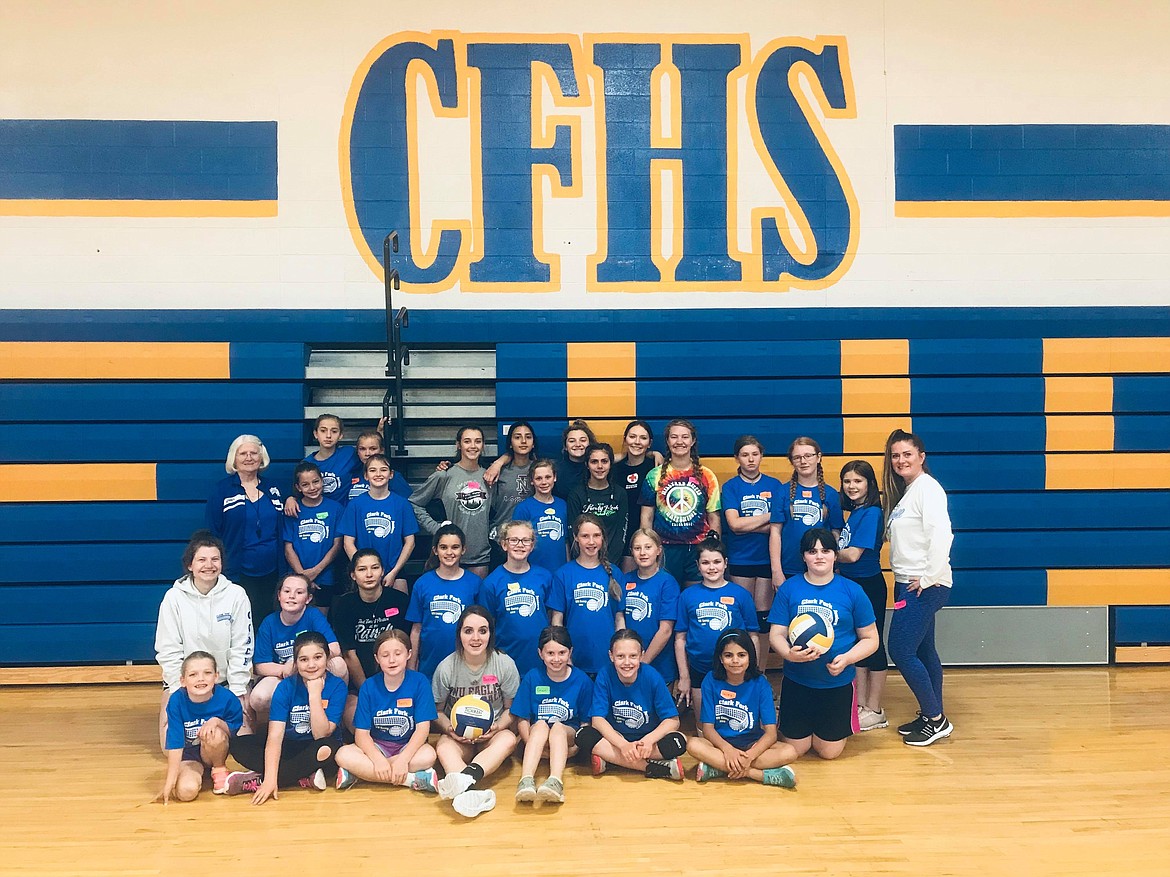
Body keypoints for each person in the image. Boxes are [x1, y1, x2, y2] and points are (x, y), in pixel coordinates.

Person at [767, 529, 879, 761]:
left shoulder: (852, 591)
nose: (819, 556)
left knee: (829, 752)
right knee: (796, 750)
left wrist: (847, 659)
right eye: (812, 551)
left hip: (836, 684)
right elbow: (776, 634)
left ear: (835, 555)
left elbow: (871, 639)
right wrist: (789, 654)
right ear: (803, 557)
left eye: (825, 550)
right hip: (798, 682)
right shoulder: (790, 588)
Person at [882, 429, 955, 746]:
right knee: (924, 651)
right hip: (908, 583)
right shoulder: (909, 492)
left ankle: (936, 719)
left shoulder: (928, 489)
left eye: (907, 454)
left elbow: (943, 535)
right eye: (895, 455)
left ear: (921, 457)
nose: (900, 460)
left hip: (924, 585)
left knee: (899, 649)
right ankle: (930, 715)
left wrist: (928, 577)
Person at [155, 530, 253, 749]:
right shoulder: (173, 598)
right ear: (190, 565)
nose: (209, 565)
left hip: (225, 683)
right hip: (185, 685)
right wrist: (177, 689)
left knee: (244, 744)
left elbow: (243, 647)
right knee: (170, 748)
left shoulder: (236, 595)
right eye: (201, 560)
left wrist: (238, 690)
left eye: (215, 559)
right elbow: (167, 649)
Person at [225, 631, 348, 802]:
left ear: (327, 658)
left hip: (317, 749)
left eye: (318, 657)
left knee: (327, 748)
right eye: (304, 659)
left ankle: (259, 780)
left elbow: (321, 734)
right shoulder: (285, 687)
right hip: (289, 746)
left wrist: (314, 695)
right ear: (296, 663)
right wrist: (270, 780)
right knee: (238, 745)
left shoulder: (337, 686)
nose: (311, 665)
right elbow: (275, 736)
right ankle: (301, 777)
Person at [432, 606, 520, 818]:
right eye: (468, 631)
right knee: (443, 746)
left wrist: (497, 727)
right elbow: (437, 711)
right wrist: (450, 730)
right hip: (459, 737)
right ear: (459, 634)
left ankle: (467, 777)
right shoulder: (446, 667)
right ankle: (470, 793)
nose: (476, 638)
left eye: (483, 630)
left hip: (491, 736)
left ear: (491, 634)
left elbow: (511, 709)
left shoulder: (504, 664)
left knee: (508, 738)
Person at [685, 630, 797, 787]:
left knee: (789, 751)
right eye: (728, 655)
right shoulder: (710, 680)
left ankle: (719, 769)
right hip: (720, 745)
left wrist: (750, 755)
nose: (735, 660)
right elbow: (708, 729)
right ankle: (759, 775)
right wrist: (728, 750)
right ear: (721, 659)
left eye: (742, 655)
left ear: (750, 657)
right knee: (693, 745)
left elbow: (771, 733)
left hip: (752, 744)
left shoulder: (760, 684)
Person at [334, 629, 439, 793]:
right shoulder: (369, 686)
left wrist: (403, 760)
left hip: (407, 746)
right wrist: (377, 759)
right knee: (342, 754)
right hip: (377, 746)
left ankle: (361, 774)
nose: (392, 660)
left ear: (409, 654)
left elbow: (423, 729)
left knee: (429, 755)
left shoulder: (420, 682)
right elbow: (361, 734)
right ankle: (413, 780)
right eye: (385, 655)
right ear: (377, 658)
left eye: (398, 653)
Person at [574, 629, 685, 780]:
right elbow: (597, 720)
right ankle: (654, 768)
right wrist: (623, 745)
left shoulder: (652, 677)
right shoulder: (605, 675)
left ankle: (613, 761)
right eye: (620, 656)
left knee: (679, 741)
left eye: (633, 656)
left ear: (642, 655)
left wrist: (649, 740)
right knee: (583, 735)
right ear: (611, 656)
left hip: (647, 743)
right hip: (615, 739)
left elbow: (673, 721)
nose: (627, 662)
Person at [204, 434, 284, 624]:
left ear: (261, 457)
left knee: (267, 620)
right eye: (243, 454)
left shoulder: (273, 489)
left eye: (254, 453)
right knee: (240, 621)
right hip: (237, 570)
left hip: (272, 571)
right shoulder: (222, 490)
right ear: (234, 458)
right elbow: (212, 532)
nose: (249, 458)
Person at [249, 574, 347, 726]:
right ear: (279, 595)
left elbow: (334, 648)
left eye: (299, 592)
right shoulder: (269, 622)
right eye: (287, 591)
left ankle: (334, 717)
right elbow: (260, 665)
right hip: (284, 675)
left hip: (313, 669)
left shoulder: (313, 614)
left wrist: (297, 663)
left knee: (339, 664)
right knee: (258, 698)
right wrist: (285, 668)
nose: (292, 596)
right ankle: (283, 724)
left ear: (308, 599)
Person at [674, 537, 758, 713]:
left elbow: (753, 636)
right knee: (703, 725)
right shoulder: (687, 596)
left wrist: (752, 669)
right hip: (699, 669)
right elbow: (680, 639)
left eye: (717, 562)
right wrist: (684, 676)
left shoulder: (741, 594)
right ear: (698, 565)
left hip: (735, 670)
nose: (711, 567)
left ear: (726, 563)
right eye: (705, 562)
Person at [721, 435, 785, 666]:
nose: (750, 459)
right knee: (742, 617)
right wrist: (770, 517)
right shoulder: (730, 487)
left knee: (763, 619)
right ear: (736, 457)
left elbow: (778, 528)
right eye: (745, 454)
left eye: (755, 454)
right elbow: (735, 526)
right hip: (740, 559)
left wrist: (750, 523)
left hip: (767, 559)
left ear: (761, 456)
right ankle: (741, 672)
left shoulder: (774, 485)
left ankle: (760, 673)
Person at [331, 549, 411, 730]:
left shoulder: (399, 601)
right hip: (361, 685)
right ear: (353, 575)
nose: (369, 574)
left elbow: (407, 648)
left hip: (397, 681)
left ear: (382, 571)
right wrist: (368, 690)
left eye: (374, 568)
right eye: (362, 569)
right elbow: (349, 654)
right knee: (358, 723)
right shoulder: (344, 606)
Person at [512, 626, 593, 804]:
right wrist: (531, 744)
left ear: (570, 652)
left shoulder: (582, 681)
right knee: (540, 724)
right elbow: (523, 719)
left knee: (557, 727)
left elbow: (586, 723)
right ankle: (526, 780)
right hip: (537, 738)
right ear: (540, 653)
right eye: (550, 653)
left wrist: (577, 748)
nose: (556, 659)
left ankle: (555, 781)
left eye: (562, 653)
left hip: (567, 735)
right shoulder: (532, 677)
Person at [838, 460, 890, 731]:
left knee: (873, 643)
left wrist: (821, 551)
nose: (852, 486)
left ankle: (875, 708)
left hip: (868, 584)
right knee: (856, 644)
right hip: (851, 583)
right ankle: (860, 704)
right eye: (847, 481)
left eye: (858, 481)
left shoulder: (871, 513)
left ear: (869, 484)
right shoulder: (855, 513)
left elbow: (853, 554)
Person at [640, 418, 721, 587]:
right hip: (665, 549)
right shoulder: (653, 476)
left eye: (684, 437)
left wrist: (712, 549)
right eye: (674, 437)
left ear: (693, 441)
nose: (679, 442)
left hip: (698, 549)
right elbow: (646, 518)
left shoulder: (707, 476)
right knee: (667, 599)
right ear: (667, 441)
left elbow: (713, 517)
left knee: (694, 599)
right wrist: (648, 547)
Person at [159, 651, 244, 802]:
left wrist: (217, 721)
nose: (201, 679)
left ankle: (218, 769)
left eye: (207, 673)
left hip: (214, 749)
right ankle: (195, 774)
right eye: (193, 675)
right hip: (189, 756)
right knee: (186, 793)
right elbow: (175, 742)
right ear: (183, 680)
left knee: (214, 732)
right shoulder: (176, 701)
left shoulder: (227, 699)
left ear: (216, 676)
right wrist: (170, 781)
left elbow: (233, 732)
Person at [411, 426, 494, 578]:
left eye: (478, 441)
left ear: (483, 445)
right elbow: (414, 503)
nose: (473, 446)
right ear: (458, 445)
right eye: (467, 441)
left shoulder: (489, 477)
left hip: (479, 557)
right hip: (448, 555)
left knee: (476, 601)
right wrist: (436, 529)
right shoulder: (444, 475)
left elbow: (499, 511)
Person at [548, 514, 625, 677]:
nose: (591, 542)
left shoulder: (614, 573)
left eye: (596, 536)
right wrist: (563, 654)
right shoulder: (563, 574)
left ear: (603, 537)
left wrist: (621, 653)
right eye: (585, 536)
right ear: (576, 538)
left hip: (608, 659)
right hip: (575, 659)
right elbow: (557, 620)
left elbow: (619, 619)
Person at [406, 524, 483, 680]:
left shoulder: (475, 583)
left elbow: (484, 628)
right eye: (443, 547)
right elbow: (416, 629)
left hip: (467, 665)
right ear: (435, 550)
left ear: (463, 550)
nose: (449, 552)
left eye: (455, 547)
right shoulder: (422, 584)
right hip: (430, 665)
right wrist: (411, 667)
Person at [477, 519, 553, 678]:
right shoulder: (491, 583)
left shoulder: (545, 577)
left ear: (532, 546)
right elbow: (487, 625)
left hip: (540, 660)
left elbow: (552, 616)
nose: (520, 545)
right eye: (514, 540)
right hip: (504, 660)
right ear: (504, 545)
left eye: (526, 540)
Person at [338, 453, 417, 592]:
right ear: (366, 476)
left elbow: (410, 542)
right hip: (365, 575)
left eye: (383, 470)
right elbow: (348, 543)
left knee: (399, 610)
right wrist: (363, 570)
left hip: (395, 571)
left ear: (391, 474)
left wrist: (394, 572)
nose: (378, 474)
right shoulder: (355, 505)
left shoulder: (402, 504)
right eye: (373, 470)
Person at [778, 436, 844, 582]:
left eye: (808, 456)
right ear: (791, 461)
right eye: (797, 457)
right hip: (789, 566)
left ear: (819, 457)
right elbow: (775, 533)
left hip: (822, 568)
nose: (803, 461)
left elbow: (836, 533)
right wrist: (776, 570)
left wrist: (836, 564)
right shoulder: (782, 491)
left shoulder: (831, 494)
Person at [621, 528, 680, 686]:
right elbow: (619, 619)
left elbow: (666, 630)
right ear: (632, 552)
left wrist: (642, 663)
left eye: (648, 547)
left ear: (658, 550)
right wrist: (629, 661)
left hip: (659, 665)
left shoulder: (667, 583)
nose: (643, 553)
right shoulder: (625, 580)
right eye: (637, 548)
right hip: (627, 664)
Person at [281, 462, 344, 610]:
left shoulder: (336, 509)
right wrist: (303, 576)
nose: (312, 488)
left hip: (325, 577)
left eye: (316, 481)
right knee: (296, 620)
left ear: (322, 481)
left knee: (319, 623)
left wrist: (315, 571)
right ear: (298, 487)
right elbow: (288, 548)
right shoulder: (292, 510)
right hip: (296, 577)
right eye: (305, 484)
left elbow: (337, 545)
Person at [612, 419, 664, 573]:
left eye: (643, 438)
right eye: (632, 437)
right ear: (625, 439)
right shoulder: (614, 468)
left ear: (650, 443)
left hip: (650, 533)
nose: (637, 442)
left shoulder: (656, 466)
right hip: (621, 534)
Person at [566, 442, 628, 567]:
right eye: (594, 462)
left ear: (611, 464)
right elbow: (573, 534)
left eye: (604, 461)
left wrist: (610, 563)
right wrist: (587, 561)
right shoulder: (576, 494)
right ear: (587, 465)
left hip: (612, 563)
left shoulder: (620, 493)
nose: (600, 466)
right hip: (584, 562)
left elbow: (622, 533)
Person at [487, 420, 537, 567]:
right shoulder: (498, 471)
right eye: (517, 437)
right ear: (510, 443)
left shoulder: (540, 470)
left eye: (528, 437)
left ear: (533, 443)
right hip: (501, 540)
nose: (523, 441)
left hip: (529, 541)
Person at [512, 458, 569, 573]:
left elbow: (566, 541)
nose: (544, 482)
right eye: (538, 478)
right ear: (532, 481)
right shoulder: (523, 508)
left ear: (555, 477)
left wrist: (567, 566)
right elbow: (515, 544)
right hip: (532, 571)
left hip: (559, 569)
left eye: (548, 477)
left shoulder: (562, 505)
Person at [347, 430, 413, 501]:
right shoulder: (352, 474)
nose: (367, 453)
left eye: (373, 449)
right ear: (357, 452)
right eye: (362, 449)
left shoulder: (392, 477)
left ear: (382, 450)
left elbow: (408, 503)